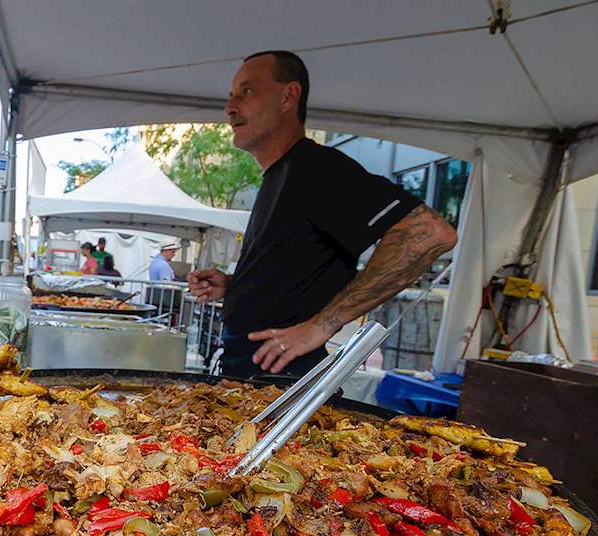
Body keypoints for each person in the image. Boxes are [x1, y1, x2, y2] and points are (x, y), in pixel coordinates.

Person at [187, 51, 457, 378]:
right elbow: (301, 275)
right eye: (231, 96)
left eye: (246, 91)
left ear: (289, 97)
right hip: (250, 376)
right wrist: (235, 286)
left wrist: (321, 326)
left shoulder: (314, 169)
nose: (230, 108)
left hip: (281, 385)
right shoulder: (280, 176)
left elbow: (429, 233)